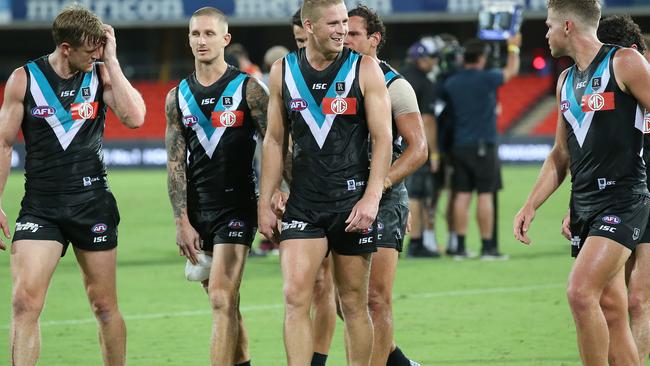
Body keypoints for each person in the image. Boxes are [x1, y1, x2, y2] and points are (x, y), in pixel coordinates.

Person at [0, 4, 145, 365]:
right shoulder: (25, 79)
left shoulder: (101, 74)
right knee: (24, 303)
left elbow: (135, 118)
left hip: (91, 202)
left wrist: (111, 60)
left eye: (100, 47)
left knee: (104, 305)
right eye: (90, 49)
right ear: (66, 48)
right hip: (41, 207)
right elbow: (3, 144)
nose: (95, 54)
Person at [514, 1, 650, 364]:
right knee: (611, 309)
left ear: (568, 27)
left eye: (548, 26)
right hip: (585, 205)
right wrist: (531, 204)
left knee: (580, 292)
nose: (545, 34)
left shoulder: (624, 62)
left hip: (624, 199)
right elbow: (561, 154)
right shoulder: (564, 80)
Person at [258, 0, 392, 364]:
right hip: (304, 204)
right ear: (310, 26)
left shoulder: (365, 69)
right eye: (333, 23)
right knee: (294, 297)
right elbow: (273, 139)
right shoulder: (282, 71)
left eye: (346, 22)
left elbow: (382, 139)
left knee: (352, 303)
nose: (342, 30)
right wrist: (265, 200)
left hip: (352, 205)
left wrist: (372, 198)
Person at [164, 7, 269, 366]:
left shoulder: (249, 89)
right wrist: (182, 221)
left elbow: (274, 146)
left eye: (209, 34)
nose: (201, 40)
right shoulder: (177, 96)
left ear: (225, 39)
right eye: (195, 34)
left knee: (222, 299)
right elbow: (175, 162)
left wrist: (276, 197)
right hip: (198, 211)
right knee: (227, 303)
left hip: (238, 206)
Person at [559, 14, 650, 365]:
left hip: (632, 193)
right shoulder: (578, 81)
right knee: (615, 302)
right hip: (610, 197)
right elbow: (579, 150)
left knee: (638, 298)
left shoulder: (630, 71)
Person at [343, 6, 427, 365]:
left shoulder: (396, 85)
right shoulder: (335, 81)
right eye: (342, 32)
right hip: (338, 198)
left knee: (375, 299)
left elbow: (419, 148)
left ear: (374, 39)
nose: (344, 40)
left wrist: (380, 187)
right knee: (344, 301)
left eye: (354, 34)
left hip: (383, 202)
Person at [443, 35, 520, 259]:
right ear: (480, 58)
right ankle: (487, 247)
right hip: (483, 144)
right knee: (485, 194)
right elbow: (511, 70)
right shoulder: (486, 78)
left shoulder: (452, 82)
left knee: (462, 195)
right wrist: (513, 46)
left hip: (459, 144)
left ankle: (459, 246)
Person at [400, 39, 441, 258]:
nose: (435, 63)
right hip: (413, 145)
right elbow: (428, 121)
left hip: (392, 143)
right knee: (415, 194)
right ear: (423, 59)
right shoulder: (425, 83)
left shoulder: (398, 76)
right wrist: (433, 153)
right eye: (433, 58)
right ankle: (416, 242)